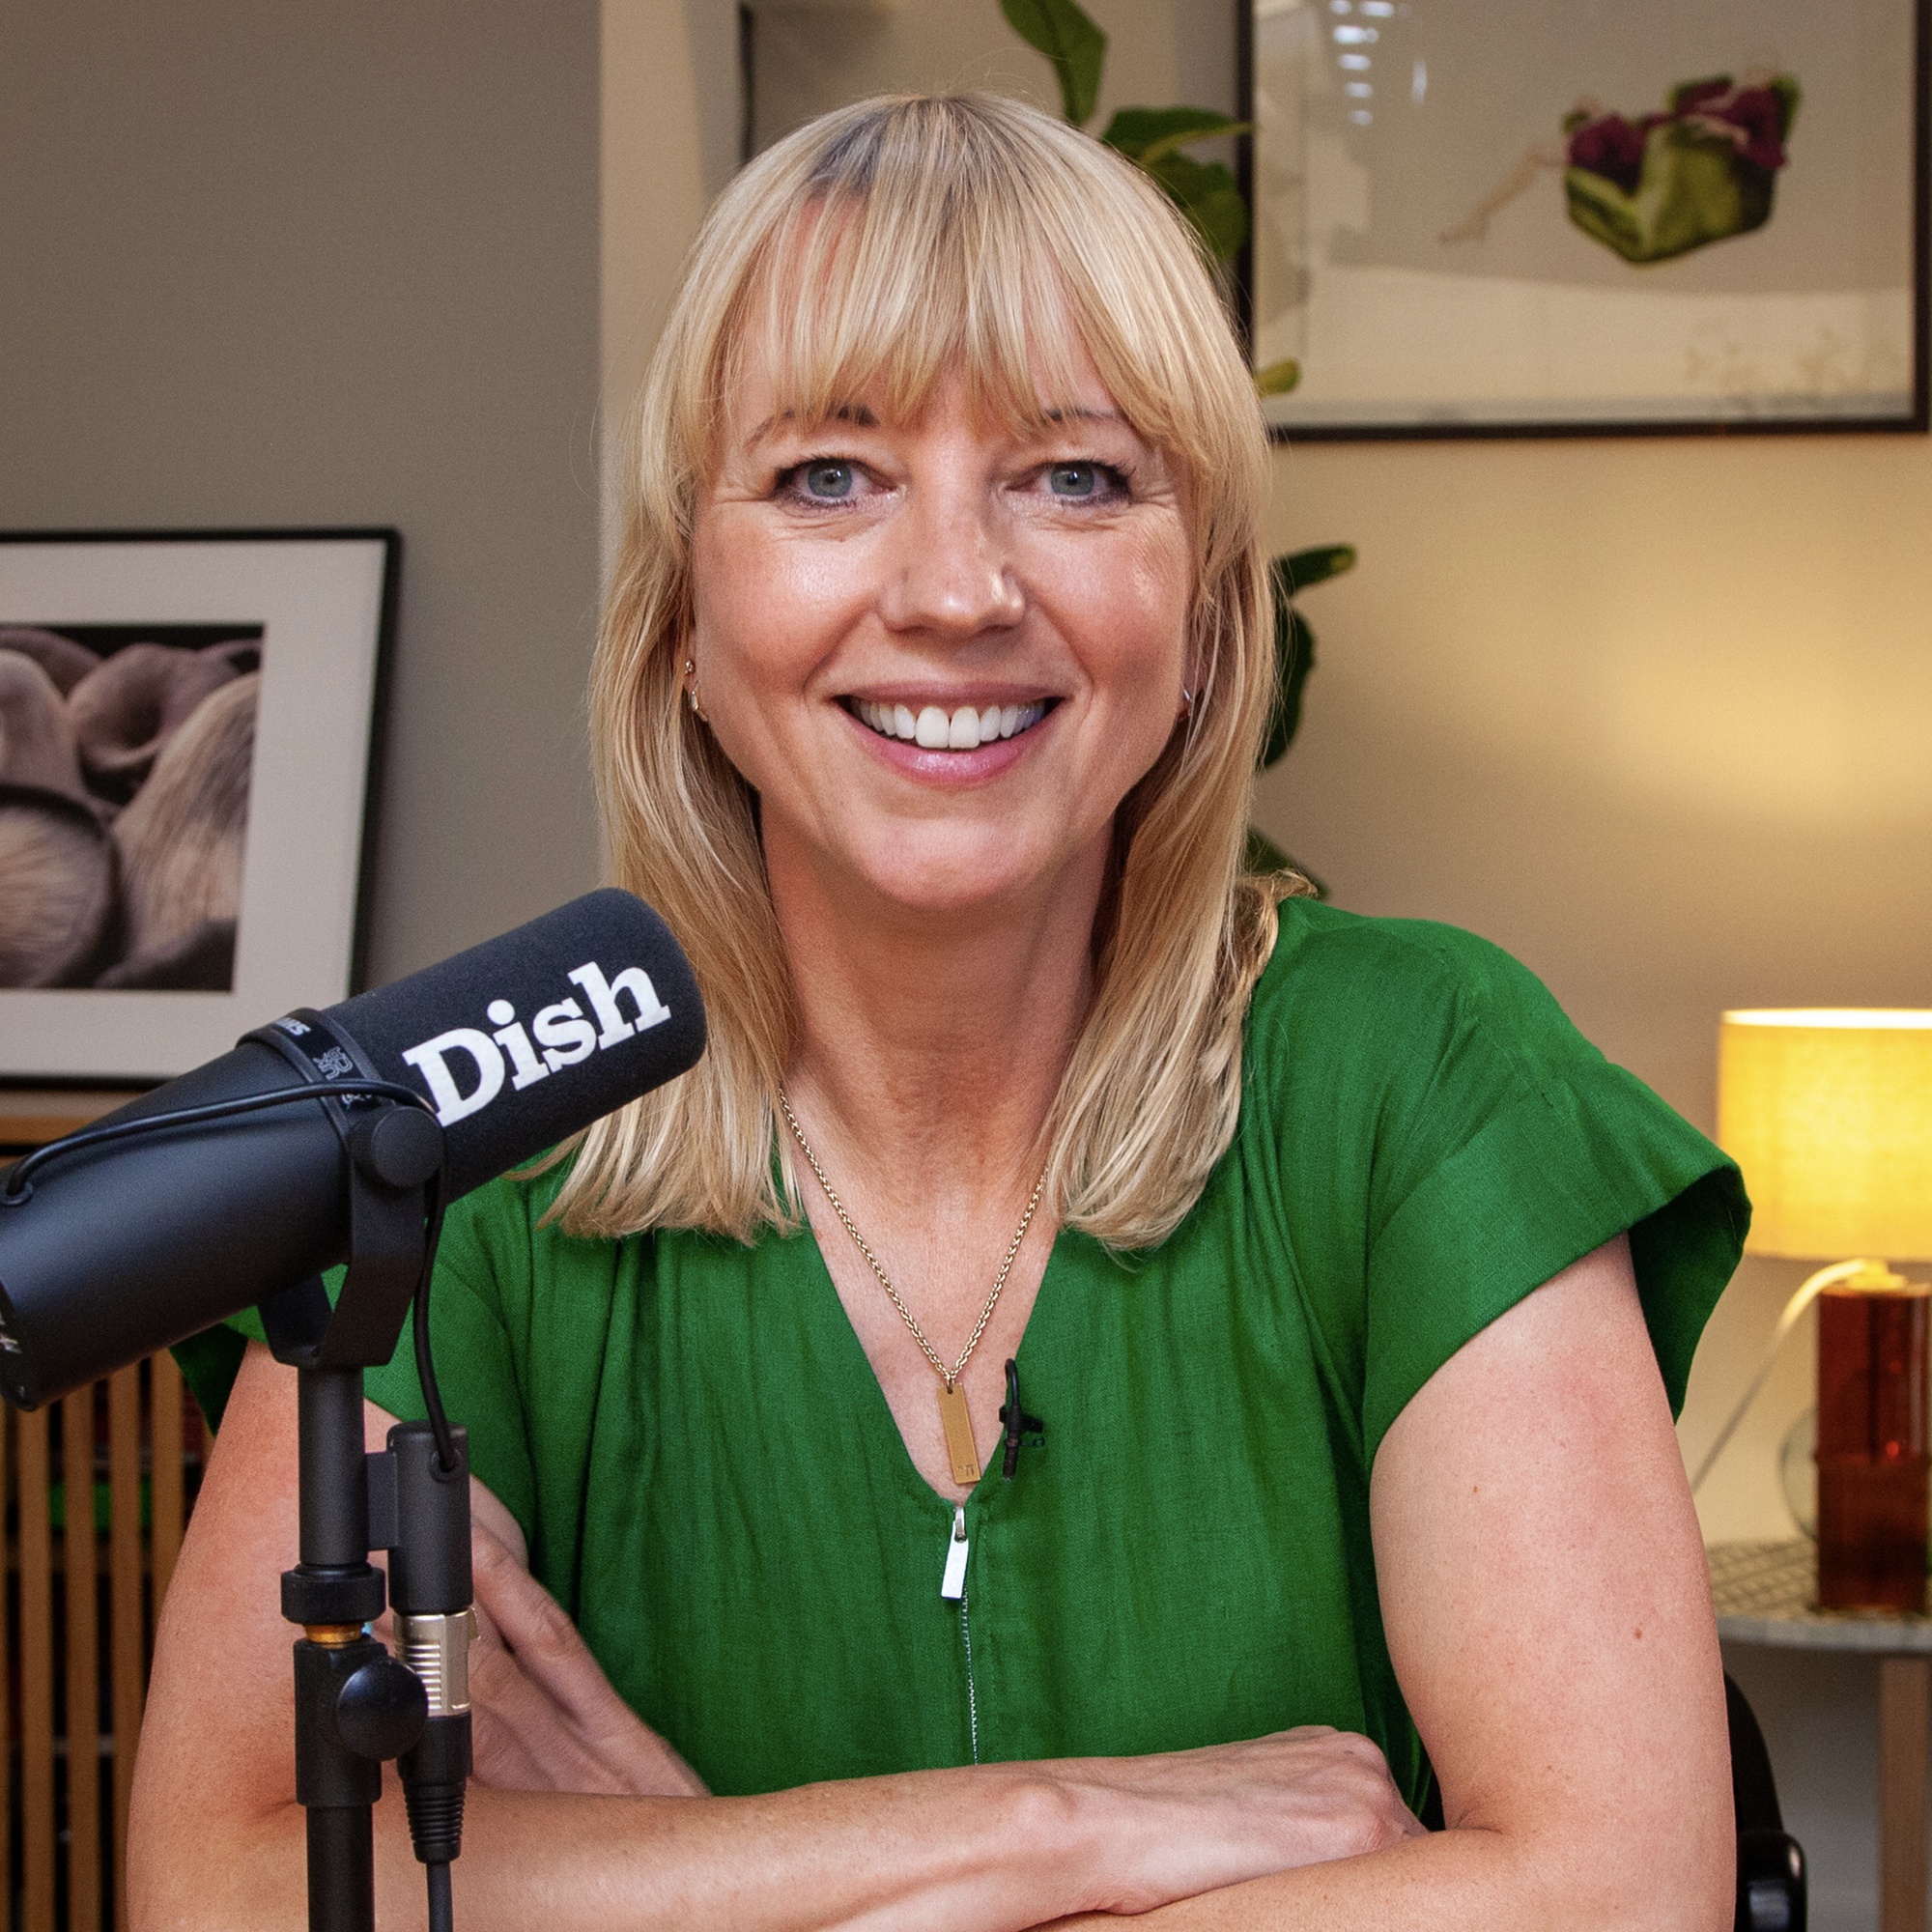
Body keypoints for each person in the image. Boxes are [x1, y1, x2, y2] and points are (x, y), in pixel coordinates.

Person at [129, 92, 1745, 1930]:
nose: (957, 591)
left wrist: (683, 1886)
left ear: (1207, 616)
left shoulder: (1425, 1080)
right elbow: (224, 1888)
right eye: (830, 474)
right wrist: (1044, 1831)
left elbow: (1623, 1897)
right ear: (682, 620)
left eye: (1077, 476)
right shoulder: (464, 1143)